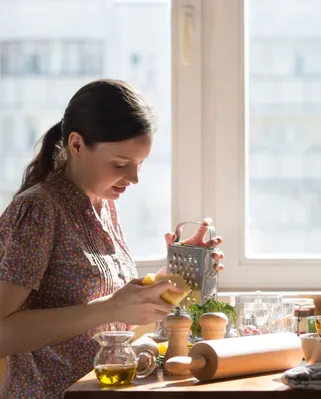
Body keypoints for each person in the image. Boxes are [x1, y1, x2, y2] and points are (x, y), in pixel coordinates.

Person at [0, 80, 188, 398]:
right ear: (76, 144)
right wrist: (108, 309)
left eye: (140, 163)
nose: (134, 178)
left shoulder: (104, 205)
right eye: (120, 164)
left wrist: (182, 266)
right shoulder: (39, 208)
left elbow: (110, 313)